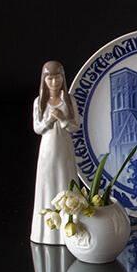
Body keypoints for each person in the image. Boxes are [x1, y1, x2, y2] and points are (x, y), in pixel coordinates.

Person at [30, 61, 81, 244]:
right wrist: (49, 122)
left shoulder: (69, 100)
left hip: (64, 148)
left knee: (64, 181)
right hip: (47, 149)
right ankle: (45, 231)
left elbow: (75, 126)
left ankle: (68, 229)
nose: (53, 82)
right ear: (44, 80)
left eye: (57, 77)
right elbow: (37, 127)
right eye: (49, 78)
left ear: (62, 78)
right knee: (47, 184)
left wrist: (62, 119)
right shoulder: (39, 102)